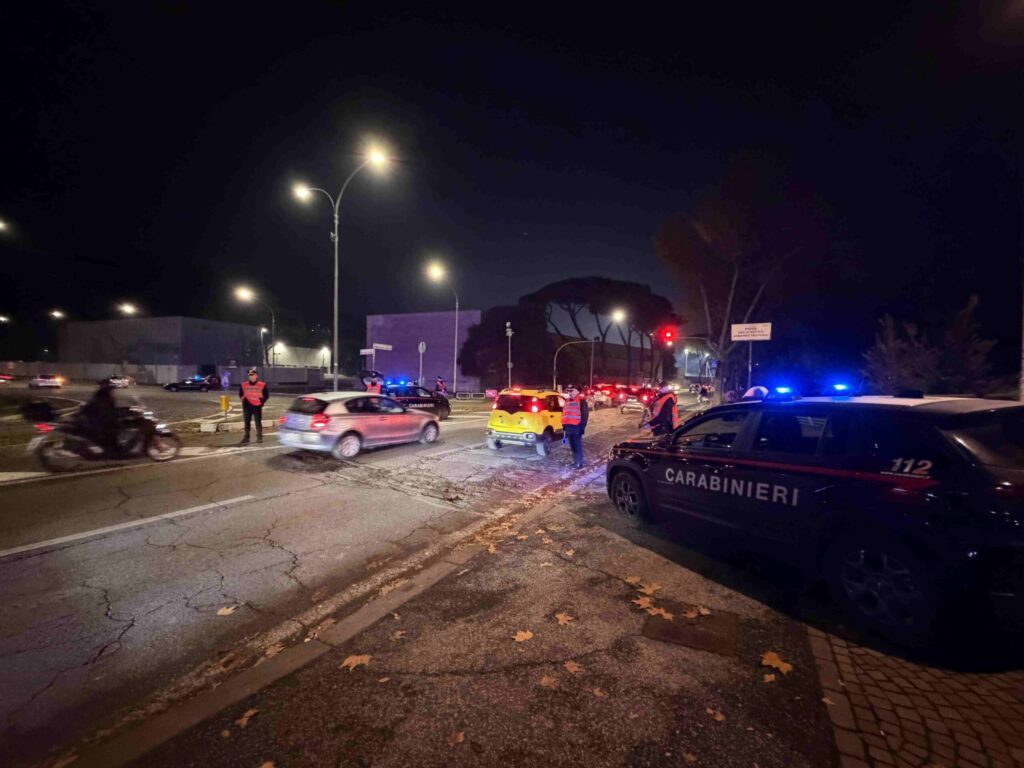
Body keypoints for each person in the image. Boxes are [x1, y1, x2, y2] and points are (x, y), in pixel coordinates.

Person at [80, 379, 120, 454]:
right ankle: (113, 450)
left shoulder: (102, 395)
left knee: (115, 428)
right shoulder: (103, 396)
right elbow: (105, 409)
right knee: (113, 429)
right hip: (100, 420)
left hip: (99, 418)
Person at [561, 384, 589, 470]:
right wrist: (564, 427)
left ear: (577, 391)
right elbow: (565, 414)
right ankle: (574, 461)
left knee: (577, 446)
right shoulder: (567, 401)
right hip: (569, 428)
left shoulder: (582, 402)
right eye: (569, 391)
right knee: (572, 446)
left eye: (572, 391)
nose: (570, 393)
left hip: (577, 428)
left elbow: (585, 416)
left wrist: (582, 428)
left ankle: (579, 463)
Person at [239, 368, 269, 444]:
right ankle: (246, 437)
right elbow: (241, 394)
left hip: (257, 406)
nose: (251, 377)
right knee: (247, 422)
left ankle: (259, 437)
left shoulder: (262, 385)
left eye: (252, 375)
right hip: (247, 406)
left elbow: (266, 395)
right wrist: (244, 401)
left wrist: (261, 402)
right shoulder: (244, 384)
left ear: (256, 376)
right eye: (249, 375)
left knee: (258, 422)